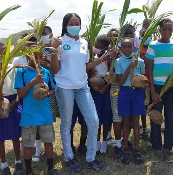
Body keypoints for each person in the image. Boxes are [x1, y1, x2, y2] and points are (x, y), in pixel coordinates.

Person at [50, 13, 109, 172]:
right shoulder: (60, 42)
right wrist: (54, 49)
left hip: (82, 86)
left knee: (93, 121)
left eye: (78, 23)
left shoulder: (84, 42)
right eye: (71, 23)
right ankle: (69, 157)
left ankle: (91, 158)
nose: (75, 25)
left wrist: (104, 58)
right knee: (67, 123)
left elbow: (86, 65)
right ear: (65, 25)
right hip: (64, 87)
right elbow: (54, 70)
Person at [14, 51, 59, 175]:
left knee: (48, 141)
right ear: (28, 56)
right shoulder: (22, 72)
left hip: (45, 113)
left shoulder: (46, 71)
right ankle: (29, 170)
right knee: (28, 143)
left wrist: (45, 94)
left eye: (40, 57)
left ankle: (50, 168)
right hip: (29, 114)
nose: (37, 59)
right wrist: (32, 82)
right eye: (34, 56)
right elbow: (20, 94)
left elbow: (52, 90)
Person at [146, 19, 173, 162]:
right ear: (159, 30)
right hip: (157, 87)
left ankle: (167, 147)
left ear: (172, 30)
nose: (167, 32)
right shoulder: (153, 45)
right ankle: (156, 146)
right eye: (164, 29)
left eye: (170, 29)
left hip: (170, 88)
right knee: (156, 116)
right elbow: (150, 68)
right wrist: (153, 91)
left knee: (170, 117)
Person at [0, 42, 24, 175]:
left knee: (15, 135)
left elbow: (18, 88)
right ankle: (3, 165)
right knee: (0, 136)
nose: (7, 54)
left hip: (13, 102)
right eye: (3, 52)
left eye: (7, 51)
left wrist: (15, 101)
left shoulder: (13, 68)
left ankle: (18, 162)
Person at [115, 37, 146, 165]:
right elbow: (120, 82)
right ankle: (126, 148)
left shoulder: (140, 61)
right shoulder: (118, 61)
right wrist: (129, 67)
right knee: (126, 121)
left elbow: (142, 78)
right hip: (124, 92)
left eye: (130, 47)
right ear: (121, 48)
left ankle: (137, 150)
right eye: (124, 47)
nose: (127, 49)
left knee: (135, 121)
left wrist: (141, 88)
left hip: (136, 93)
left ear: (134, 47)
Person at [90, 35, 113, 154]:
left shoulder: (110, 59)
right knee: (97, 117)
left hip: (106, 89)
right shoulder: (92, 57)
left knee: (107, 116)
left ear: (105, 48)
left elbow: (112, 74)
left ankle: (105, 142)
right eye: (95, 47)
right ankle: (97, 142)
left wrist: (106, 86)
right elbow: (89, 73)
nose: (97, 49)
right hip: (95, 90)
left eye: (99, 48)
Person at [107, 28, 124, 160]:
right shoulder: (106, 52)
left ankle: (124, 141)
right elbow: (107, 73)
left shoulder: (126, 49)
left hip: (127, 87)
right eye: (112, 36)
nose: (114, 38)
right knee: (116, 116)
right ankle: (118, 145)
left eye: (117, 36)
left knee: (126, 116)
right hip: (114, 88)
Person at [139, 28, 152, 141]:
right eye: (144, 35)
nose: (147, 37)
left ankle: (149, 127)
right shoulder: (139, 50)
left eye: (149, 35)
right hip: (142, 83)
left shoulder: (153, 49)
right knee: (143, 106)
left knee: (149, 105)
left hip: (151, 82)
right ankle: (143, 128)